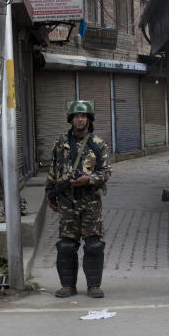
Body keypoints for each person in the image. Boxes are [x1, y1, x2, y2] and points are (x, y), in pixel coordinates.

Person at [45, 100, 112, 299]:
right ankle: (67, 286)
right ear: (71, 120)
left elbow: (107, 172)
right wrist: (50, 194)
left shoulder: (98, 144)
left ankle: (93, 286)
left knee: (93, 245)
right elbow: (53, 170)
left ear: (89, 120)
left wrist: (88, 179)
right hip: (66, 202)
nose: (79, 119)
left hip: (90, 202)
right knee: (66, 245)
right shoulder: (61, 144)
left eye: (83, 116)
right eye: (76, 116)